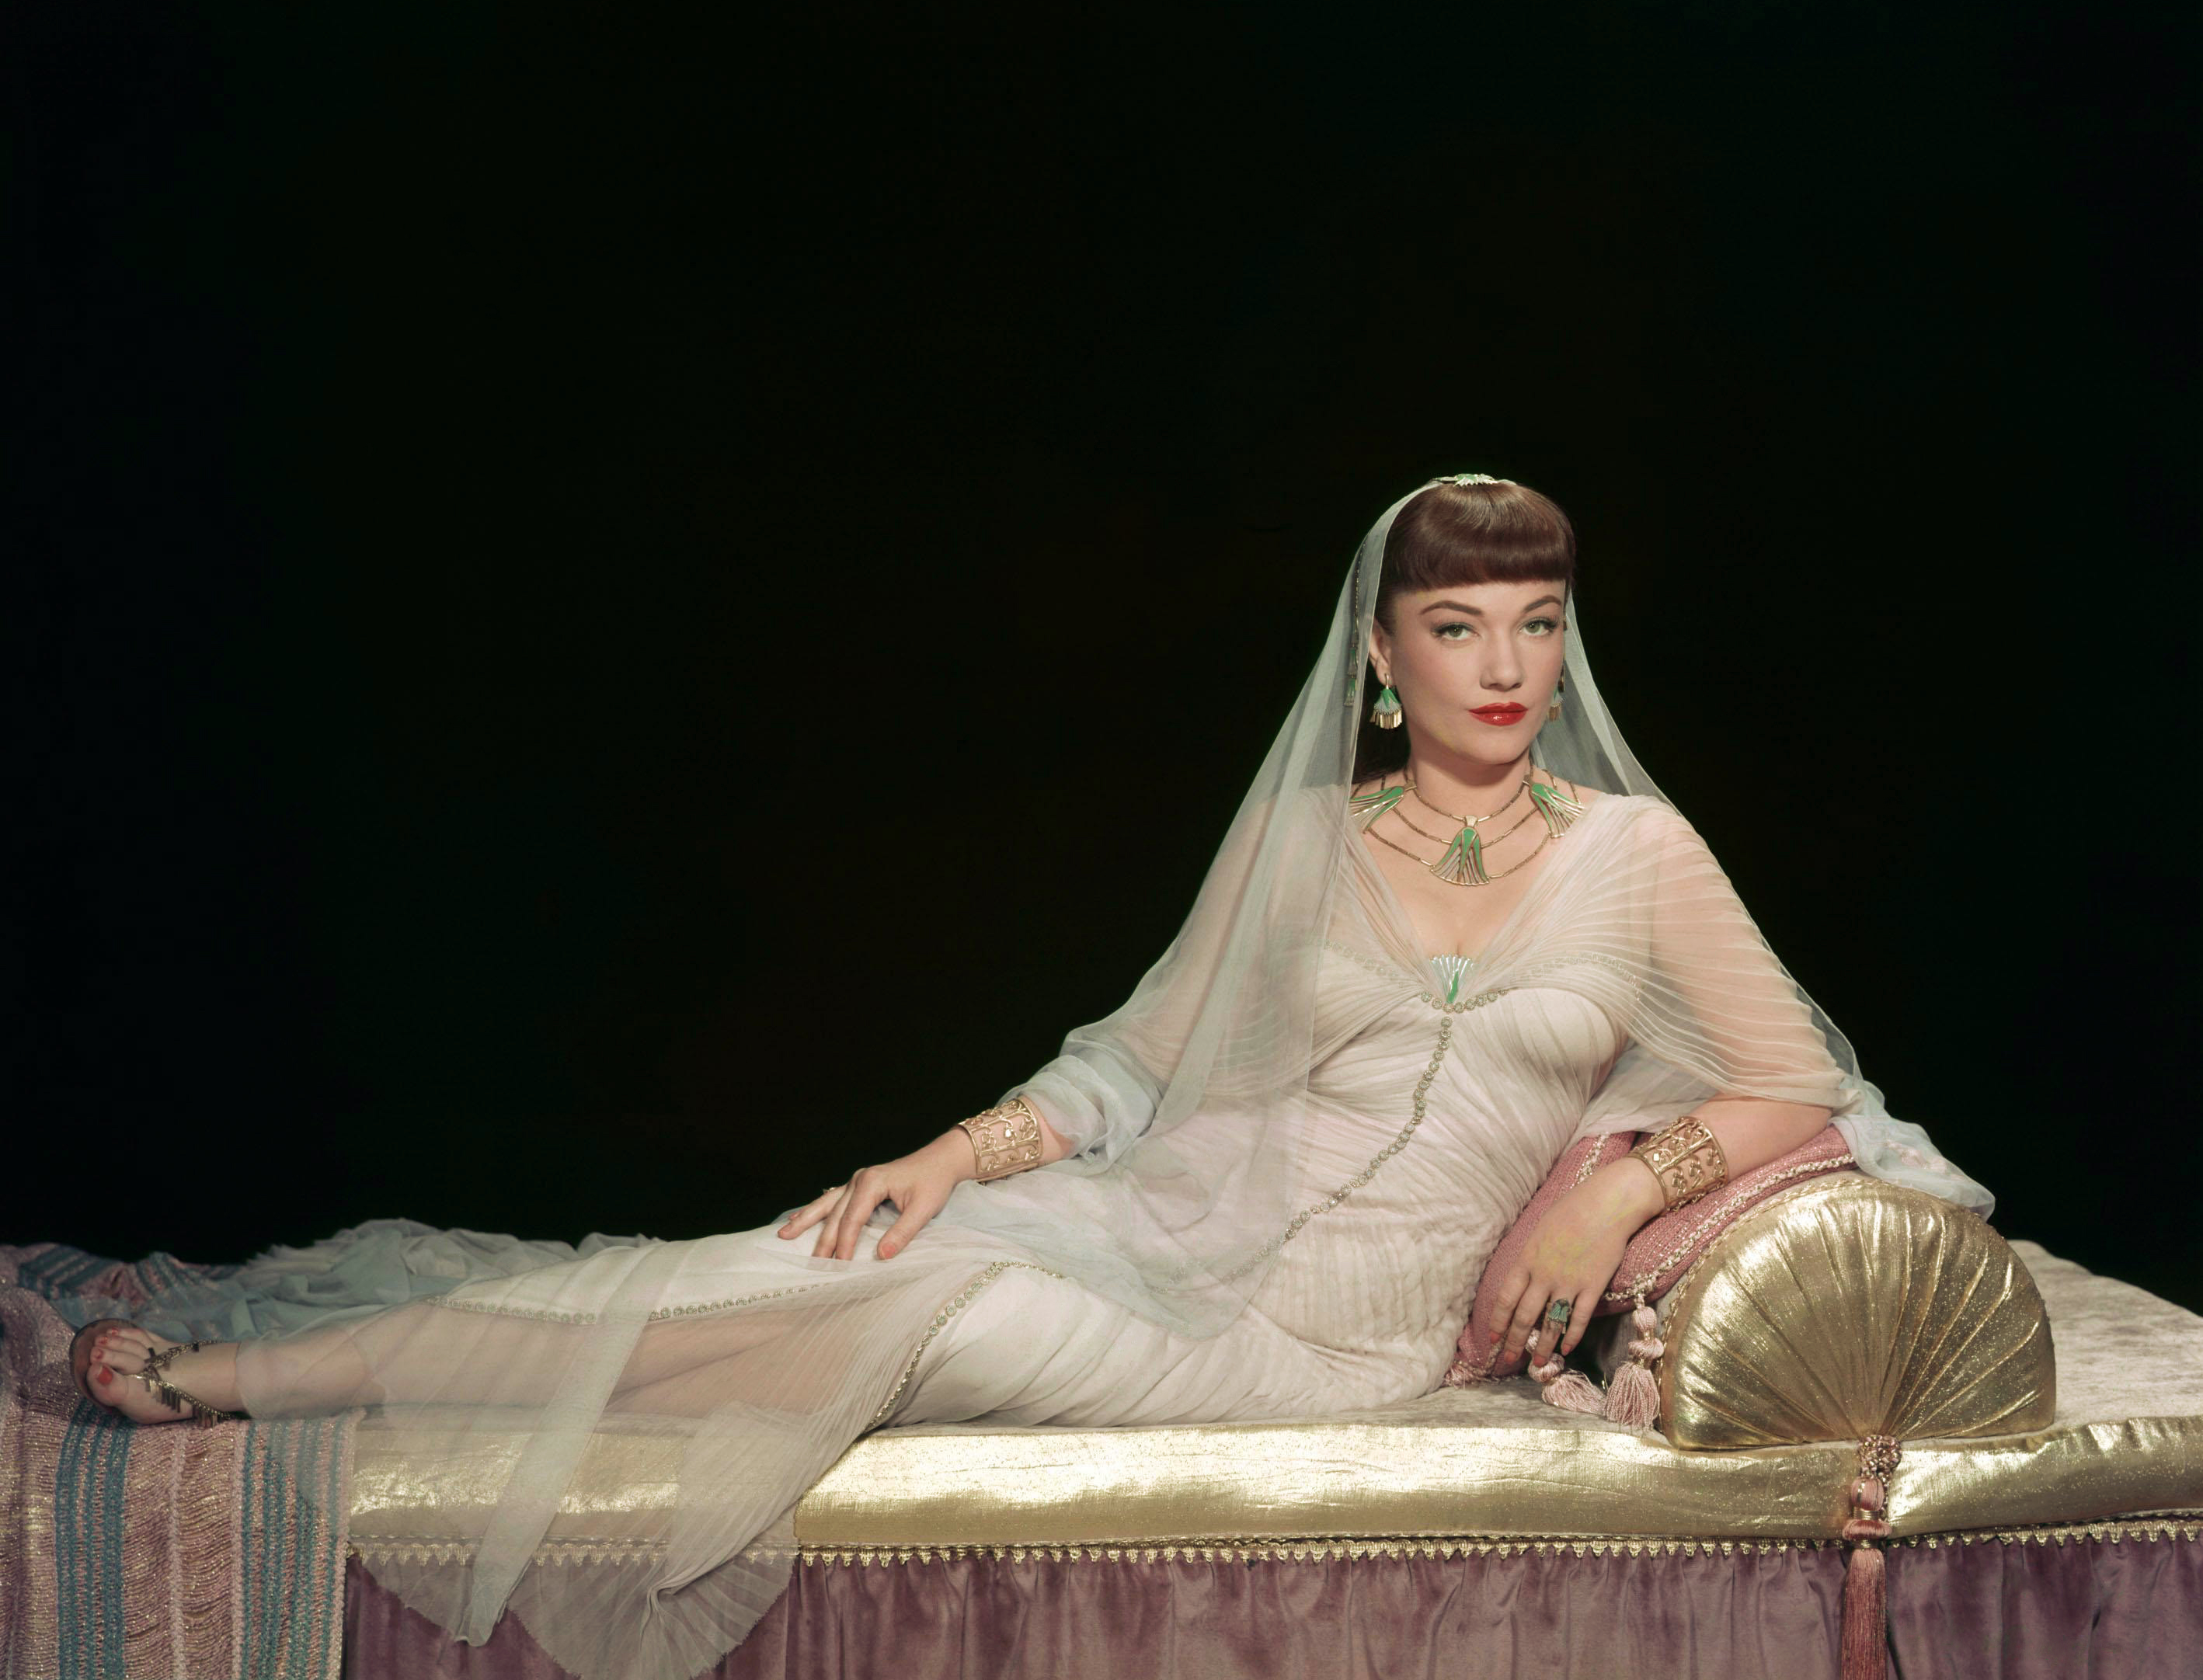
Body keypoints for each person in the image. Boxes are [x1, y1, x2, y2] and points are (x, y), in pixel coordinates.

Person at [69, 475, 1986, 1680]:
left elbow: (1794, 1079)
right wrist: (950, 1149)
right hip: (1168, 1234)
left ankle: (259, 1378)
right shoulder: (1305, 836)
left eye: (1537, 623)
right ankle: (256, 1377)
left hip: (1324, 1345)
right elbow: (1138, 1057)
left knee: (883, 1322)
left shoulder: (1633, 855)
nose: (1505, 663)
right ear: (1380, 654)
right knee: (789, 1267)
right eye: (1457, 625)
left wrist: (1613, 1185)